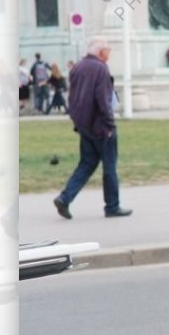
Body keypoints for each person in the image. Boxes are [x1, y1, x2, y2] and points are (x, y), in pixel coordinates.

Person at [54, 37, 132, 219]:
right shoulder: (100, 68)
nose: (110, 53)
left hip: (85, 127)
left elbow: (72, 98)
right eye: (108, 50)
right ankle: (112, 206)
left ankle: (65, 198)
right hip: (102, 127)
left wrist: (78, 122)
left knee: (87, 164)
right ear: (100, 52)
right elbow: (103, 100)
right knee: (109, 166)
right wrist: (110, 124)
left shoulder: (78, 67)